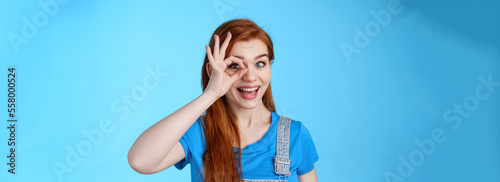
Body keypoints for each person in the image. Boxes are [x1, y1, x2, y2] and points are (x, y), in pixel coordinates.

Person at [127, 18, 319, 182]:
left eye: (260, 63)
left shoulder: (295, 135)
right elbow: (140, 161)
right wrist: (211, 94)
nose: (250, 77)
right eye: (235, 65)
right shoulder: (200, 133)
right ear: (213, 71)